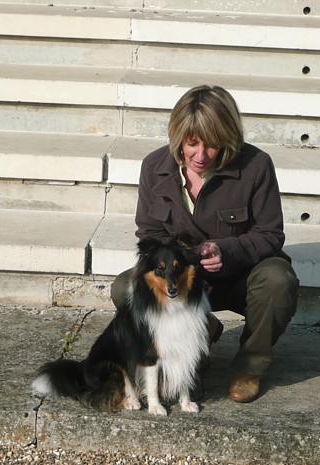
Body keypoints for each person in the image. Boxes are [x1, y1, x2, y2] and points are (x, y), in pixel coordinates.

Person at [111, 85, 299, 403]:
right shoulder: (154, 168)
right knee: (124, 288)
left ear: (228, 136)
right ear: (178, 136)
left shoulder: (256, 166)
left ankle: (250, 366)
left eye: (212, 145)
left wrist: (227, 251)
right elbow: (150, 238)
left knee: (279, 279)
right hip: (183, 281)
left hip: (240, 277)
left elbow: (270, 235)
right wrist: (188, 268)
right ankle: (203, 329)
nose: (201, 156)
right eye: (192, 143)